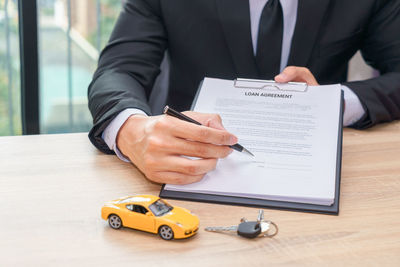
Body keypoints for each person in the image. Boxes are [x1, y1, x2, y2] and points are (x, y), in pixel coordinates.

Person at [88, 0, 400, 184]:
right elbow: (119, 69)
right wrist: (132, 131)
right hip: (189, 164)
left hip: (308, 167)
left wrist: (334, 103)